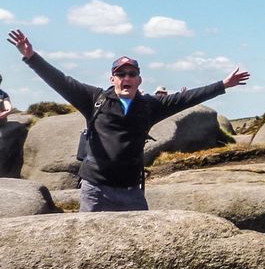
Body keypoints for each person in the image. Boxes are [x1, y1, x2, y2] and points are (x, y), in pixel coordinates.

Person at [6, 29, 250, 212]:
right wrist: (31, 56)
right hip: (95, 191)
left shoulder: (150, 106)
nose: (126, 77)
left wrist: (223, 85)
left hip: (132, 192)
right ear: (112, 78)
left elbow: (187, 98)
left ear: (139, 80)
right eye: (120, 73)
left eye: (131, 73)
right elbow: (60, 80)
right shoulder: (95, 99)